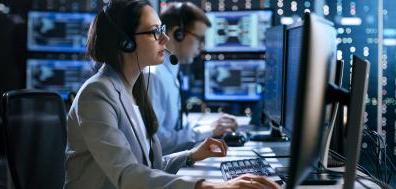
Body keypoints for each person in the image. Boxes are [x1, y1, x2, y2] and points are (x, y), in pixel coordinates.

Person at [64, 0, 279, 189]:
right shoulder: (96, 95)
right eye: (154, 31)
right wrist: (210, 186)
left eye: (163, 29)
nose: (165, 38)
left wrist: (191, 155)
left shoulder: (133, 88)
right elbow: (127, 175)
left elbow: (149, 166)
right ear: (126, 42)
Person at [146, 2, 238, 155]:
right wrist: (207, 131)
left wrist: (211, 126)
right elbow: (156, 143)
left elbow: (175, 128)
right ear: (178, 34)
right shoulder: (153, 76)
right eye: (199, 39)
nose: (202, 47)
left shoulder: (171, 73)